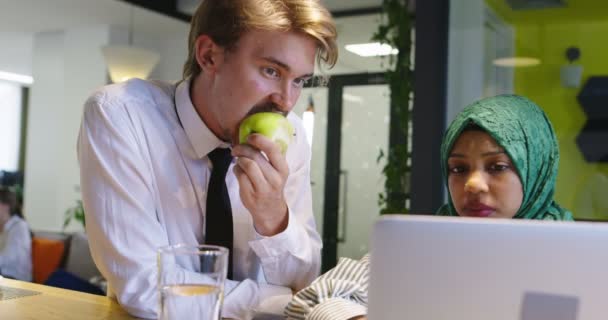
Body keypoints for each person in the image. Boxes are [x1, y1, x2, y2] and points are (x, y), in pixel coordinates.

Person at [77, 1, 337, 319]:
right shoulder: (120, 115)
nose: (286, 100)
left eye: (299, 80)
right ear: (209, 56)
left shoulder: (291, 135)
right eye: (271, 71)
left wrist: (274, 220)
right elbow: (143, 285)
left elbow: (304, 278)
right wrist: (284, 303)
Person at [284, 94, 573, 320]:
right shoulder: (422, 246)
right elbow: (312, 298)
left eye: (497, 166)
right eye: (458, 169)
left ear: (536, 170)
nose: (472, 185)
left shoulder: (575, 254)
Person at [0, 187, 32, 281]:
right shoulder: (3, 226)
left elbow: (9, 258)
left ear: (6, 206)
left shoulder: (20, 226)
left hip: (15, 279)